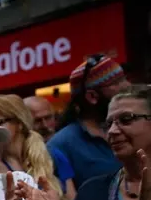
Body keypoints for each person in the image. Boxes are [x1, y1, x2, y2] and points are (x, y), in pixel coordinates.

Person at [47, 55, 131, 187]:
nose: (127, 86)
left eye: (124, 78)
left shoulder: (135, 128)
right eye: (117, 82)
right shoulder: (61, 145)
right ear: (92, 96)